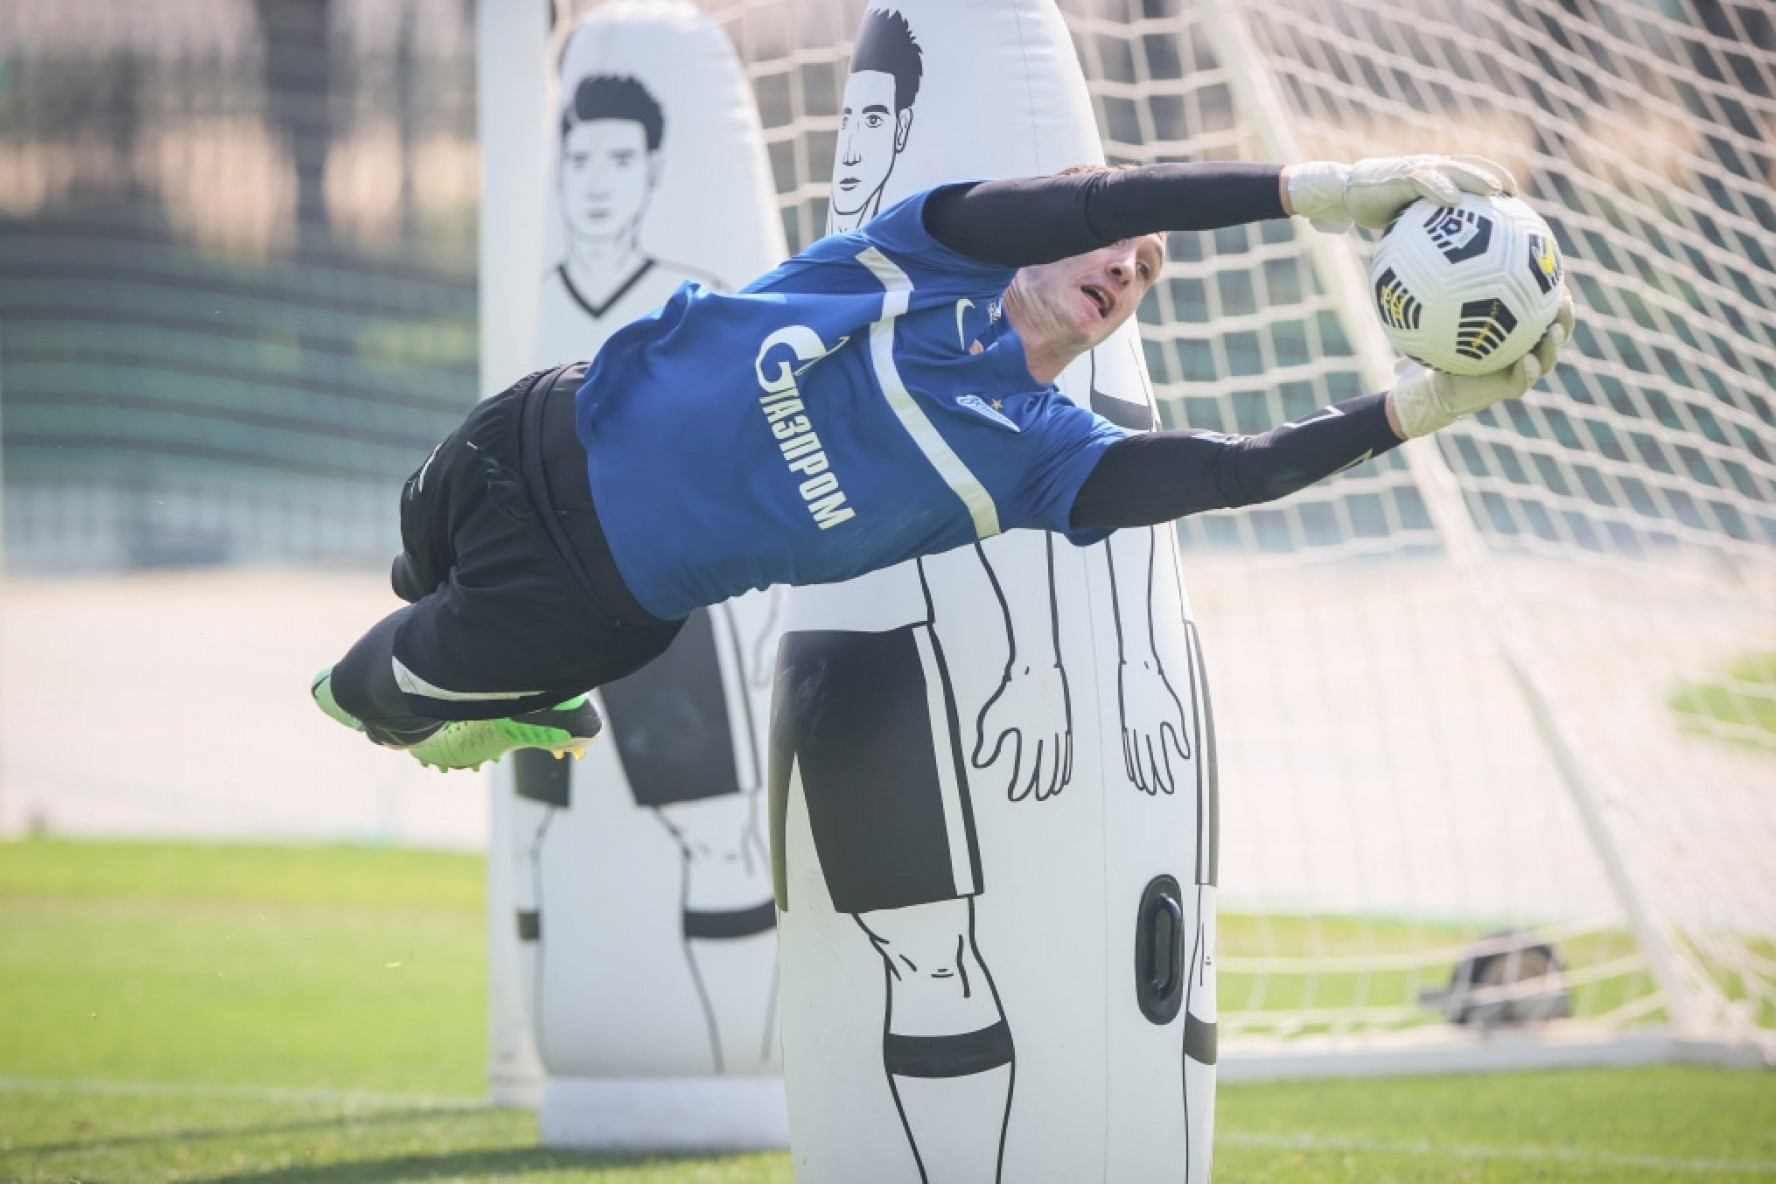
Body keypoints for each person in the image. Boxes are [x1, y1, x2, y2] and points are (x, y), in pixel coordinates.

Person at [312, 154, 1576, 771]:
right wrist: (1318, 188)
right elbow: (1106, 197)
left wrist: (1412, 411)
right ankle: (501, 696)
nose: (1122, 269)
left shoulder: (1043, 461)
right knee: (404, 556)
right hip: (527, 434)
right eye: (1117, 251)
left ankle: (485, 707)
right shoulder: (931, 249)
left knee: (362, 691)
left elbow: (1238, 468)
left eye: (1142, 278)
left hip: (592, 607)